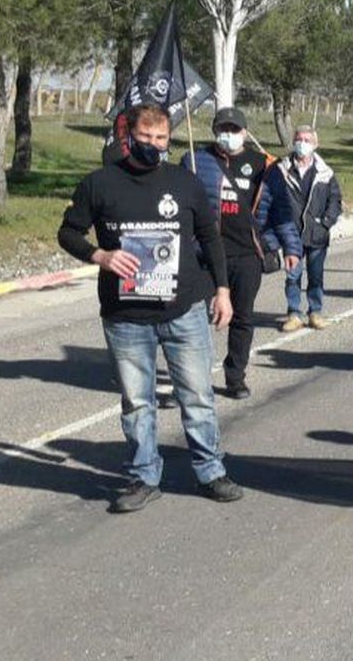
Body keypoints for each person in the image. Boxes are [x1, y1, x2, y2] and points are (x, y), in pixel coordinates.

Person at [57, 103, 244, 513]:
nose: (155, 146)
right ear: (129, 138)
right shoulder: (99, 184)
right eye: (146, 139)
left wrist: (224, 290)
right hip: (126, 318)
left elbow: (210, 238)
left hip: (184, 310)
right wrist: (99, 256)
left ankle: (210, 471)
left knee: (197, 396)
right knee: (137, 402)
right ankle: (143, 477)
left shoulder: (185, 182)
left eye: (161, 139)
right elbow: (68, 233)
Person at [182, 106, 300, 399]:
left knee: (242, 318)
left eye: (234, 130)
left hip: (248, 254)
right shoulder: (196, 161)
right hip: (205, 254)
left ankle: (235, 376)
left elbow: (281, 209)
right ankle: (192, 377)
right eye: (223, 130)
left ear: (245, 133)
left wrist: (291, 246)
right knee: (194, 317)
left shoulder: (264, 165)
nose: (228, 136)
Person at [268, 126, 342, 333]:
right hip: (291, 235)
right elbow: (270, 197)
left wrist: (326, 222)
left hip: (317, 235)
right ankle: (294, 313)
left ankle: (315, 312)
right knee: (293, 276)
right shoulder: (281, 169)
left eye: (307, 140)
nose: (302, 143)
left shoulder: (325, 172)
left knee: (316, 275)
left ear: (315, 144)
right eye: (299, 139)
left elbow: (335, 199)